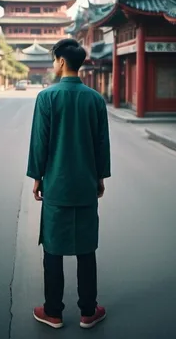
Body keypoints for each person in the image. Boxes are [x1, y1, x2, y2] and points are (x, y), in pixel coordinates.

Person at [26, 38, 111, 330]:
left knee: (53, 247)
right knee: (86, 248)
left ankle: (53, 311)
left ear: (61, 61)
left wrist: (38, 177)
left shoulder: (47, 98)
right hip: (86, 184)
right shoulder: (95, 99)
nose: (53, 64)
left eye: (53, 60)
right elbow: (102, 145)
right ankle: (89, 311)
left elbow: (41, 143)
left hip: (57, 186)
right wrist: (99, 177)